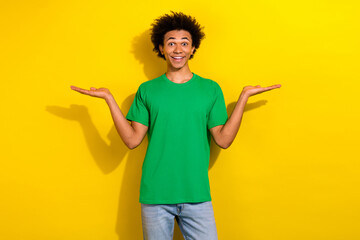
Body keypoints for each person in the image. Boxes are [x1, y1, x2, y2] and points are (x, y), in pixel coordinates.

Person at [71, 11, 281, 240]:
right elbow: (132, 140)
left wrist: (243, 97)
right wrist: (109, 99)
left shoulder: (210, 89)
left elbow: (223, 140)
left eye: (184, 43)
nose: (178, 49)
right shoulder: (147, 90)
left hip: (196, 194)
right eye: (171, 43)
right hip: (155, 196)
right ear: (161, 48)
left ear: (193, 48)